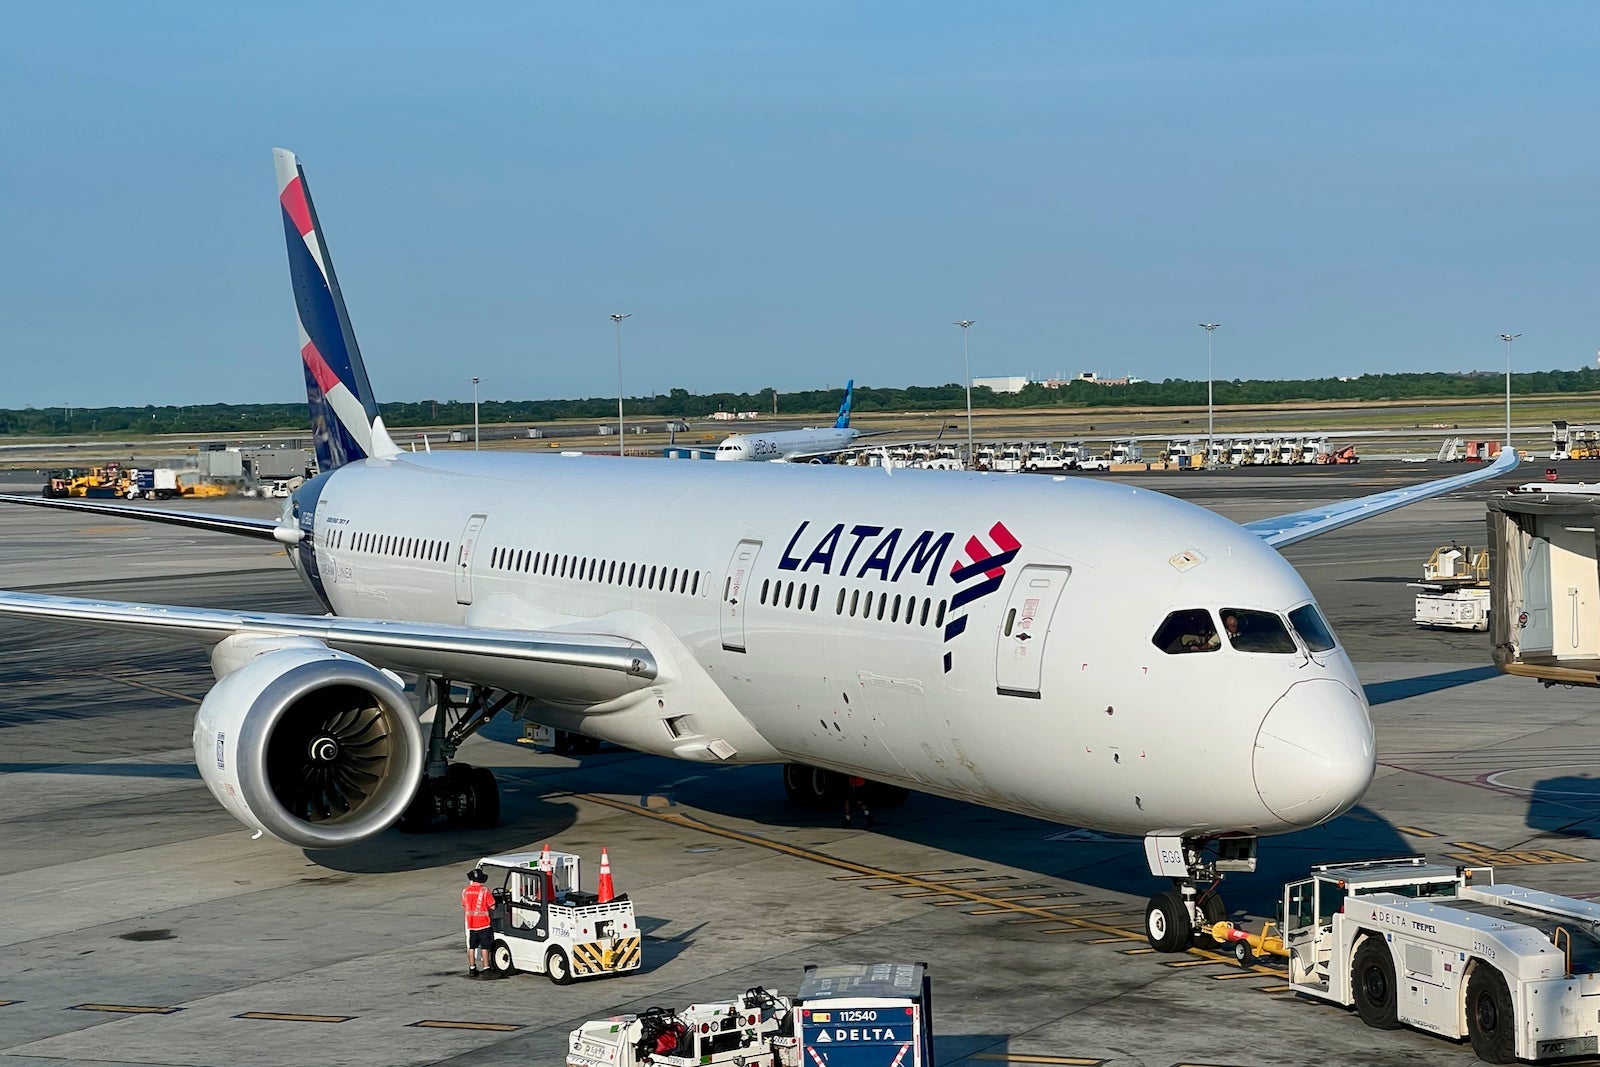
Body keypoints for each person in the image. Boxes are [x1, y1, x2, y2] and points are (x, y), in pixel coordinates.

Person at [461, 867, 496, 978]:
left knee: (472, 946)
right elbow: (493, 906)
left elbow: (464, 905)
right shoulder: (484, 891)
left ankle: (472, 968)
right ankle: (486, 968)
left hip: (471, 924)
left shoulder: (465, 891)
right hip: (483, 923)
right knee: (485, 946)